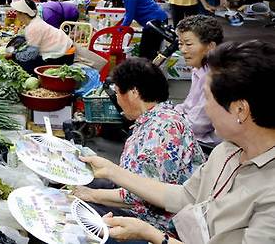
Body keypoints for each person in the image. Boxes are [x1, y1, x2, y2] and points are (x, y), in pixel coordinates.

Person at [80, 40, 275, 244]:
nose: (205, 109)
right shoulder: (228, 150)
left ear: (240, 110)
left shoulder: (270, 194)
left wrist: (151, 234)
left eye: (208, 99)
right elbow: (184, 196)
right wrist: (111, 170)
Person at [74, 58, 205, 235]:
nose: (117, 99)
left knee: (77, 214)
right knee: (87, 179)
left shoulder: (161, 131)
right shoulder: (158, 117)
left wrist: (92, 195)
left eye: (118, 92)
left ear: (133, 92)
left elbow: (143, 194)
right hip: (144, 205)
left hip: (159, 226)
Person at [174, 15, 223, 152]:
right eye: (180, 44)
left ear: (210, 46)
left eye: (188, 44)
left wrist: (172, 120)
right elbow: (187, 105)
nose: (183, 50)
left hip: (205, 144)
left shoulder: (214, 76)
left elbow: (197, 125)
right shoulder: (199, 69)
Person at [97, 0, 168, 61]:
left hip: (155, 22)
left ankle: (148, 73)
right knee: (146, 53)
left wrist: (119, 31)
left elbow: (129, 16)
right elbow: (128, 14)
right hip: (153, 22)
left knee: (147, 54)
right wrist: (118, 26)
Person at [7, 0, 74, 73]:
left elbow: (31, 54)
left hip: (64, 55)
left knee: (24, 65)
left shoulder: (33, 27)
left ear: (23, 13)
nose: (16, 14)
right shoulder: (35, 21)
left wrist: (13, 56)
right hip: (64, 49)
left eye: (17, 12)